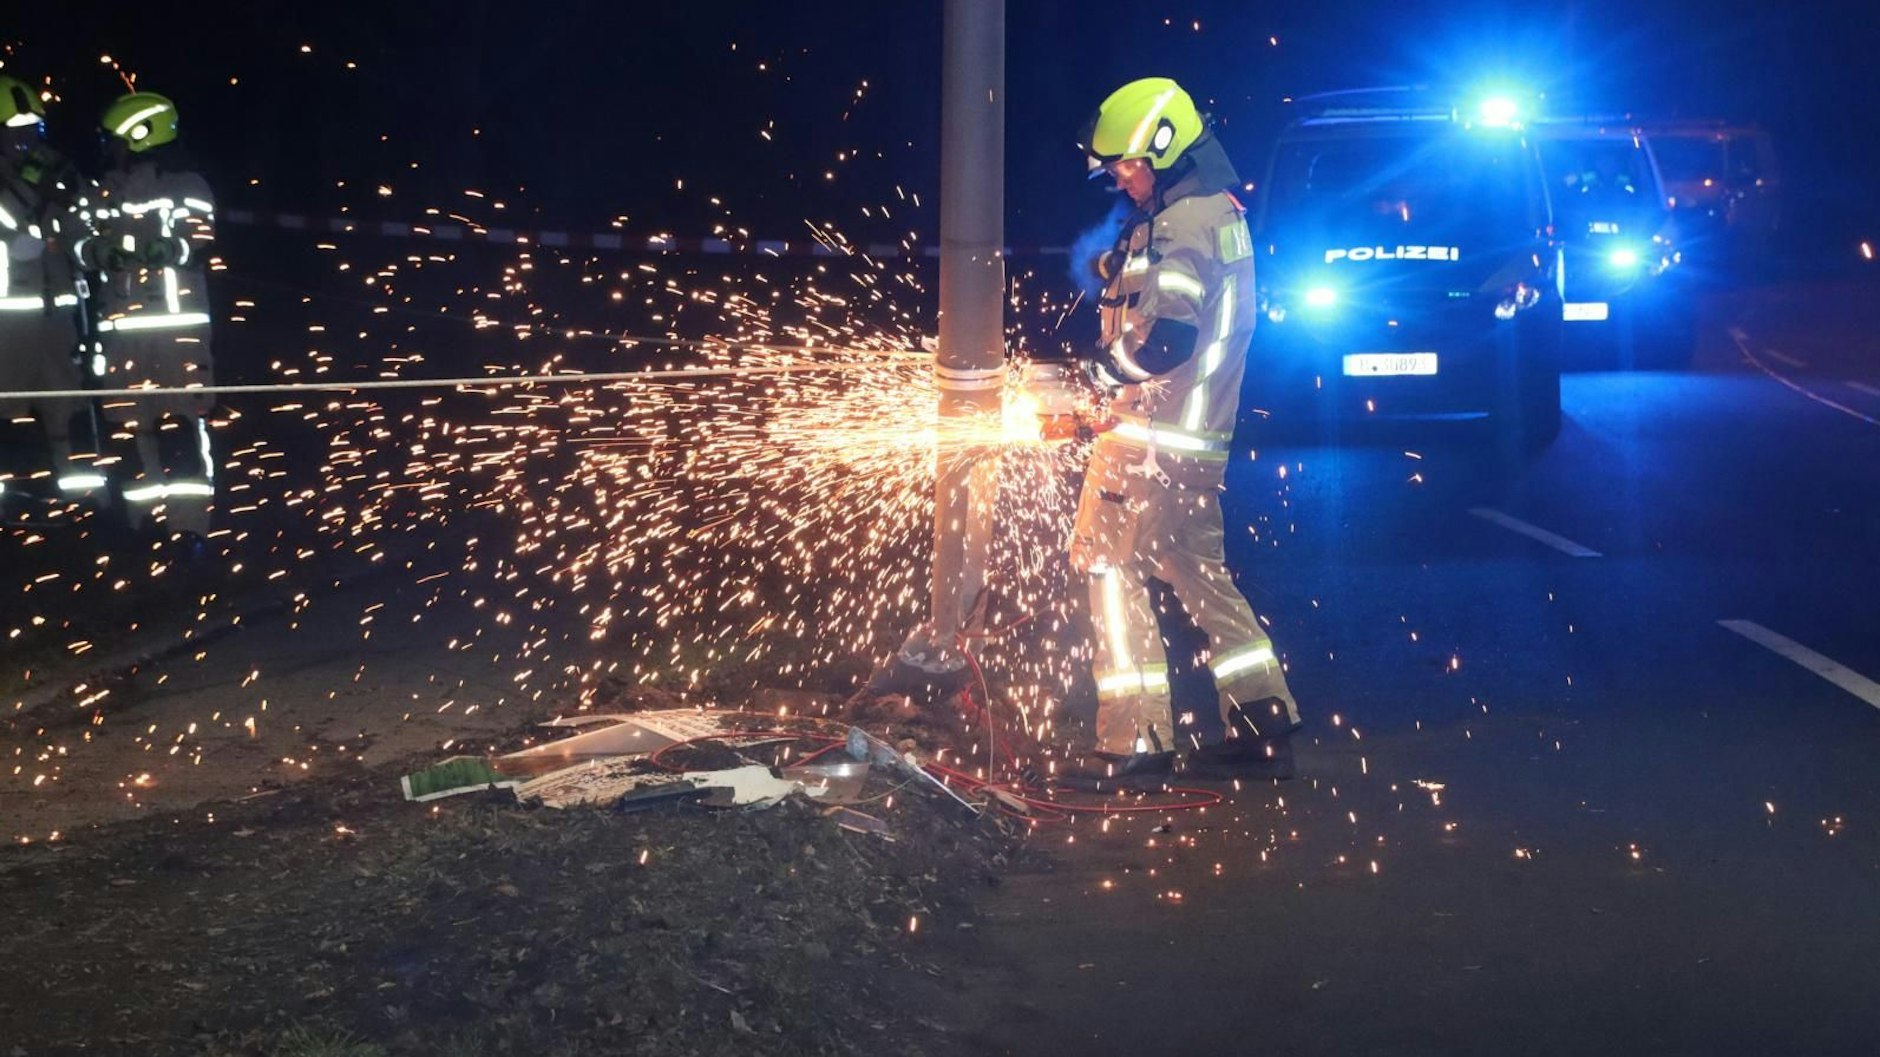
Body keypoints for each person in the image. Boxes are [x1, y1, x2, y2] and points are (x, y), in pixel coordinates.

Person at [1059, 77, 1302, 789]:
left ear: (1163, 152)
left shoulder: (1183, 222)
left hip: (1151, 444)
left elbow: (1167, 338)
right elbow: (1164, 295)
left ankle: (1135, 739)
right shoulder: (1210, 213)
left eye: (1127, 166)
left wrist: (1098, 374)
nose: (1121, 179)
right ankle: (1262, 721)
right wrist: (1114, 270)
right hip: (1190, 445)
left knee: (1109, 568)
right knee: (1198, 574)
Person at [80, 90, 217, 538]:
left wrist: (169, 247)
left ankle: (190, 527)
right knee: (129, 426)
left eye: (115, 140)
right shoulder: (104, 191)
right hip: (121, 334)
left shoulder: (186, 186)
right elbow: (79, 242)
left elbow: (200, 235)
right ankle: (143, 524)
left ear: (139, 136)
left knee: (182, 424)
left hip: (178, 333)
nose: (110, 149)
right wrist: (100, 253)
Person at [0, 73, 94, 501]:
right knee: (8, 405)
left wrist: (85, 239)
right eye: (14, 131)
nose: (25, 140)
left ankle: (81, 494)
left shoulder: (57, 169)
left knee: (66, 400)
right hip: (7, 317)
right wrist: (12, 241)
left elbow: (82, 223)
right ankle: (12, 496)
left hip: (58, 313)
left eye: (32, 129)